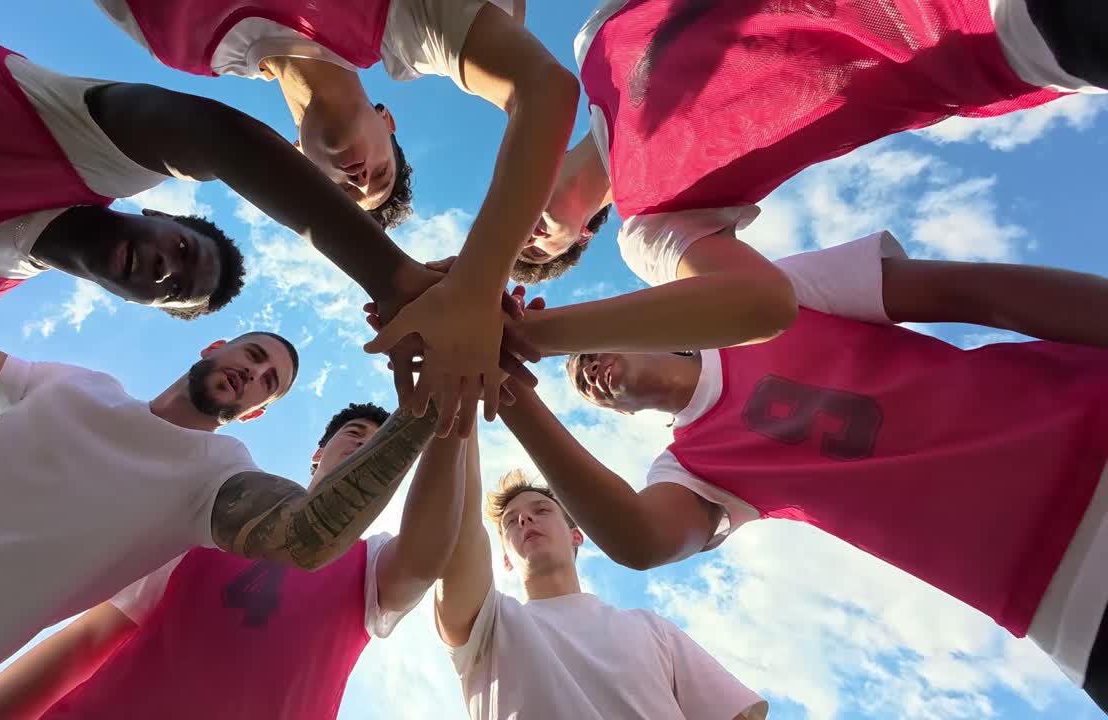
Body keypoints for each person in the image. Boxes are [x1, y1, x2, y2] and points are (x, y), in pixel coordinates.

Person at [495, 233, 1108, 709]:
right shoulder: (691, 467)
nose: (588, 373)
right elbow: (638, 539)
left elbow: (972, 292)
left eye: (589, 354)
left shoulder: (767, 300)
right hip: (1068, 605)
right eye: (581, 384)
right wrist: (504, 382)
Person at [0, 325, 436, 719]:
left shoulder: (214, 478)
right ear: (212, 346)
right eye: (254, 355)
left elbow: (313, 531)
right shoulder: (70, 386)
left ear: (254, 416)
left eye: (269, 383)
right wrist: (38, 233)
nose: (255, 373)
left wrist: (433, 399)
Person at [0, 0, 449, 375]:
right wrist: (396, 282)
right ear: (157, 209)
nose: (162, 267)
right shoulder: (82, 147)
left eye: (174, 288)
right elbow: (215, 138)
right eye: (182, 250)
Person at [96, 0, 582, 431]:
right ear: (387, 120)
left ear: (296, 163)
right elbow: (544, 88)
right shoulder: (409, 22)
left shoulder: (176, 38)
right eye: (383, 175)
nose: (361, 181)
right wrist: (474, 289)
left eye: (344, 192)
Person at [508, 0, 1106, 347]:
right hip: (1005, 32)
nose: (524, 238)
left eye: (509, 233)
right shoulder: (651, 230)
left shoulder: (597, 48)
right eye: (535, 256)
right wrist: (535, 338)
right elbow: (761, 305)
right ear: (581, 236)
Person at [0, 402, 470, 719]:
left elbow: (424, 562)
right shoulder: (210, 526)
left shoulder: (371, 562)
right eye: (356, 432)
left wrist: (445, 409)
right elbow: (90, 638)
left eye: (383, 443)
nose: (368, 443)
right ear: (318, 454)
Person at [433, 429, 768, 719]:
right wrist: (462, 403)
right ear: (505, 557)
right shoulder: (488, 625)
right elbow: (454, 527)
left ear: (576, 535)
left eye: (541, 510)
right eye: (510, 521)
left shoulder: (650, 628)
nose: (524, 520)